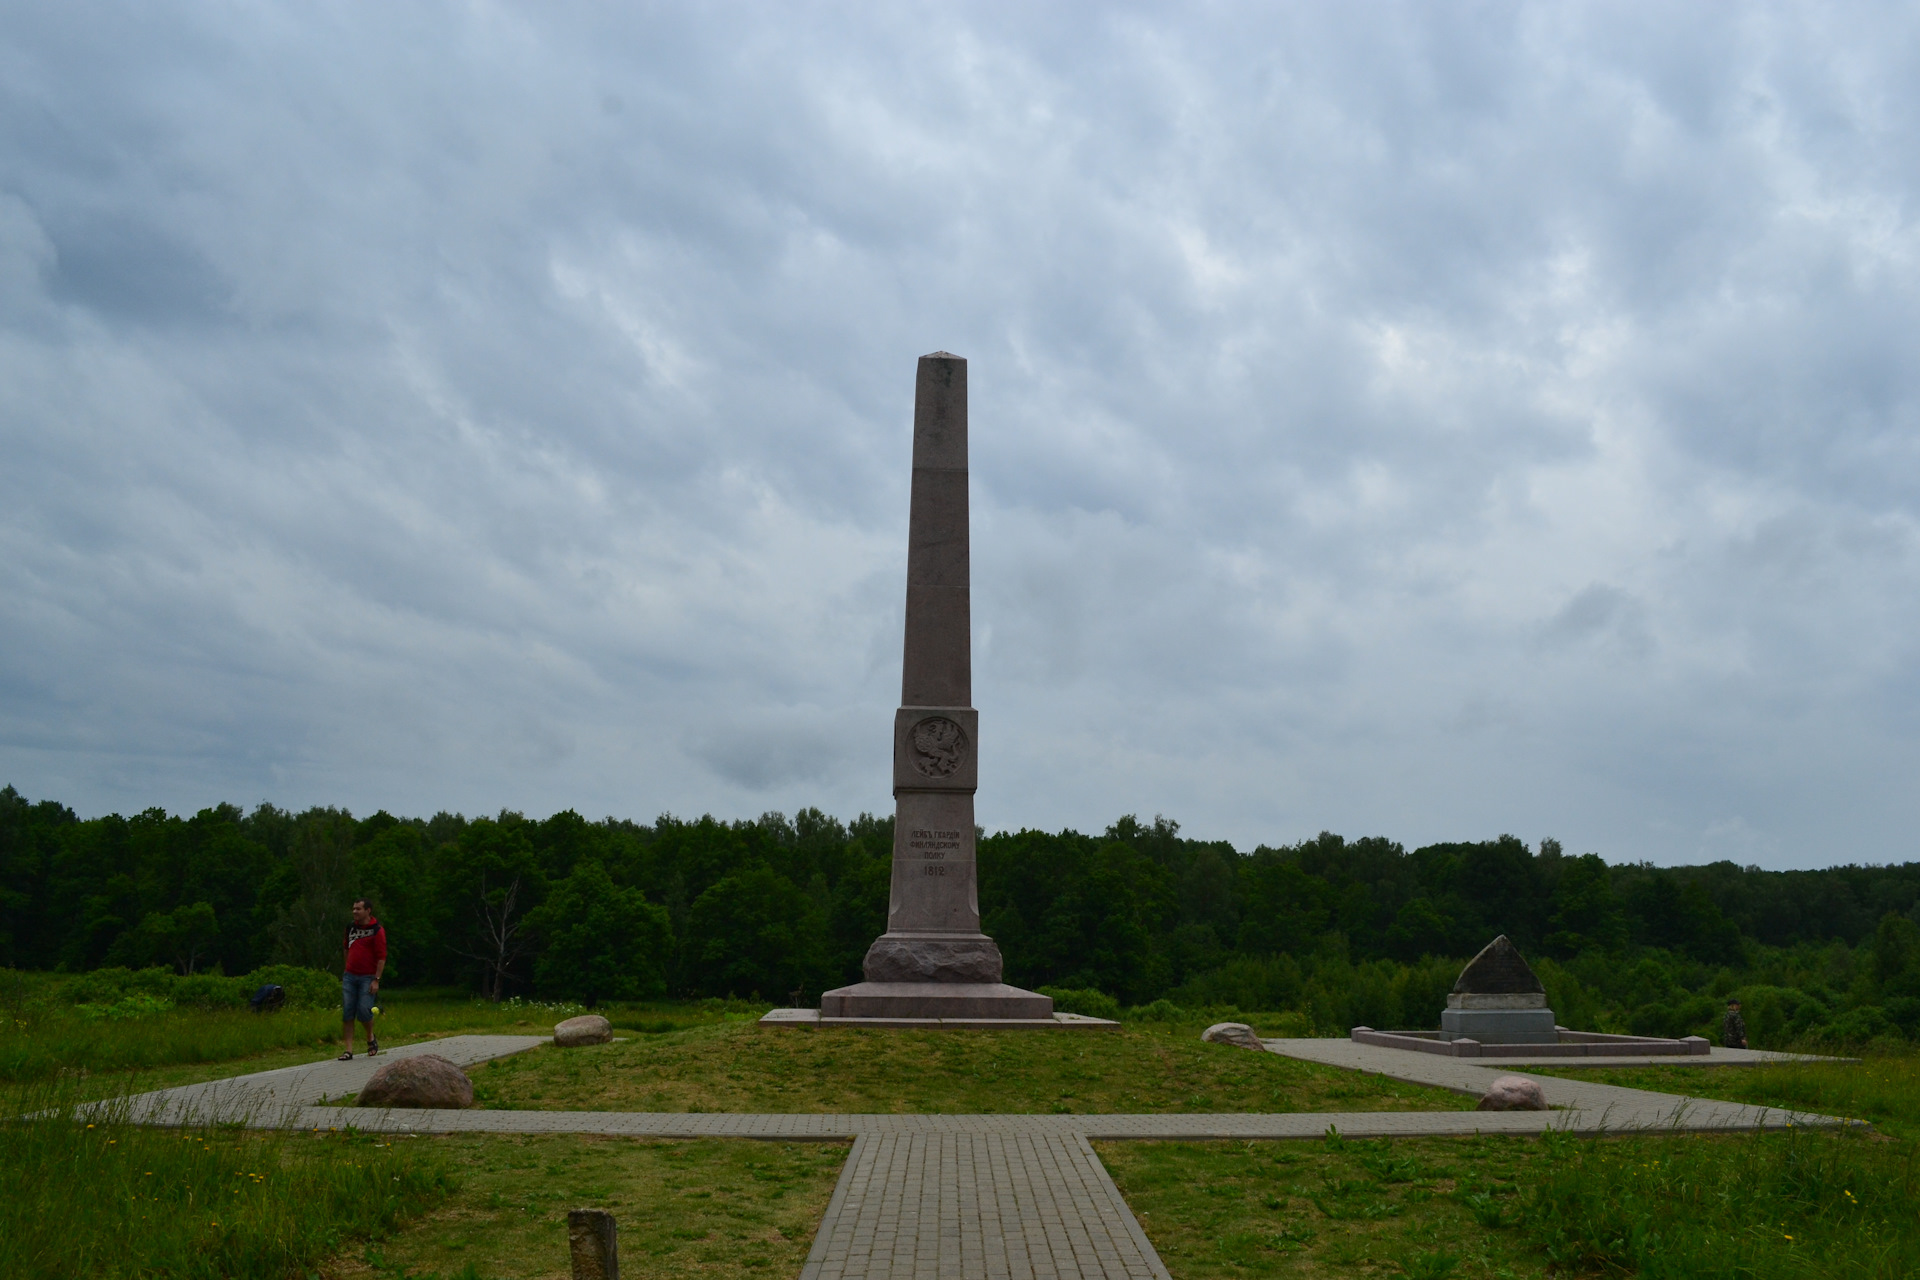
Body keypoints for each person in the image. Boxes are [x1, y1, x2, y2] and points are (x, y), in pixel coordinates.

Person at [340, 898, 387, 1060]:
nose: (354, 912)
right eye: (353, 909)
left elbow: (381, 957)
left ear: (368, 911)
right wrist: (347, 967)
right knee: (347, 1013)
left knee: (364, 1011)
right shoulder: (350, 928)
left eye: (358, 909)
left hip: (368, 977)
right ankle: (348, 1050)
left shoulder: (376, 930)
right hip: (350, 976)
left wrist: (376, 979)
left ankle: (370, 1037)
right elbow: (346, 948)